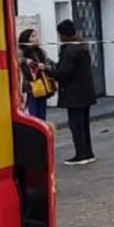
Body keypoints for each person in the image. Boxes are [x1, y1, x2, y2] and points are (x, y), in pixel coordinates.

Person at [50, 20, 97, 165]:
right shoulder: (81, 47)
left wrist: (50, 71)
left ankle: (81, 154)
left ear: (63, 34)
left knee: (76, 125)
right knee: (83, 124)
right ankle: (88, 152)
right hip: (85, 92)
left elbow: (64, 72)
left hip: (74, 94)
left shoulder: (69, 49)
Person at [17, 29, 51, 120]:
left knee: (42, 115)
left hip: (41, 87)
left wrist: (45, 67)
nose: (37, 38)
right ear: (26, 40)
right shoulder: (22, 53)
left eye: (36, 35)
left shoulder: (41, 52)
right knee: (32, 114)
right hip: (29, 89)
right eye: (33, 36)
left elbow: (49, 65)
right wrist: (27, 62)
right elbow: (17, 62)